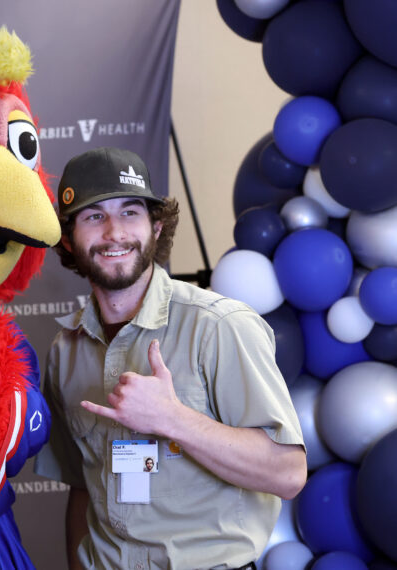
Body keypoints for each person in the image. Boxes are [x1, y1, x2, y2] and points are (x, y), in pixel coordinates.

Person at [34, 147, 306, 570]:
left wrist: (173, 419)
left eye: (130, 212)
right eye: (93, 216)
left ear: (156, 227)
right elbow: (81, 487)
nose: (114, 232)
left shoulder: (219, 326)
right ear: (68, 239)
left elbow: (287, 474)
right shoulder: (65, 352)